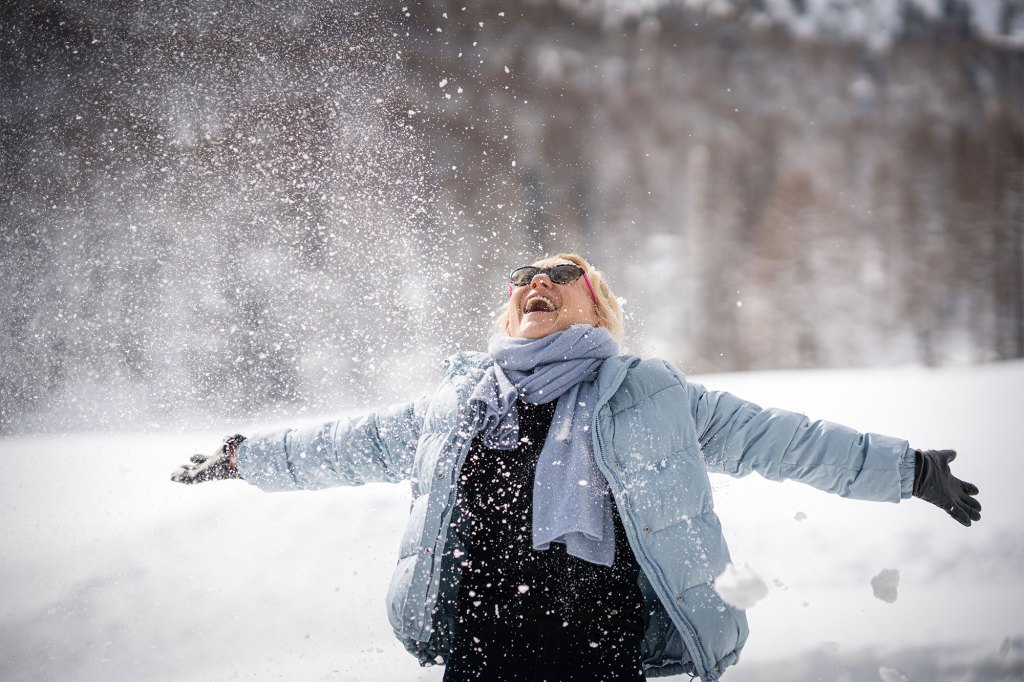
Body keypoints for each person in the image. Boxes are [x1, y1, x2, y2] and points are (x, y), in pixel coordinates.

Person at [172, 253, 981, 682]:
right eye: (525, 277)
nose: (538, 282)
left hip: (599, 654)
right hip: (482, 655)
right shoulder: (460, 404)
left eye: (563, 275)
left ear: (598, 308)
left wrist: (906, 470)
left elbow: (782, 439)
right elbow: (352, 443)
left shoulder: (648, 394)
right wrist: (247, 457)